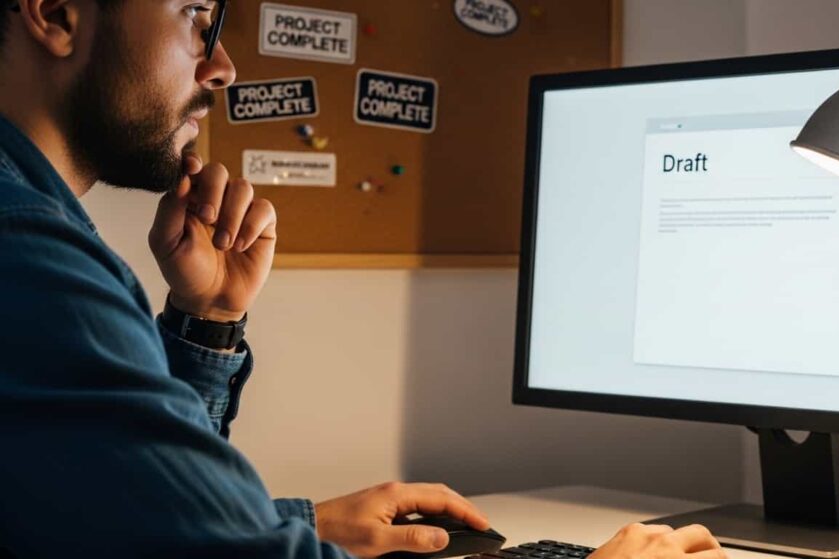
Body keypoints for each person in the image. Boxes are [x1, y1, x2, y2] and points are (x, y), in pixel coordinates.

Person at [0, 1, 727, 557]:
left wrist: (210, 318)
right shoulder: (30, 251)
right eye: (195, 14)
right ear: (57, 13)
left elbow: (135, 510)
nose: (221, 65)